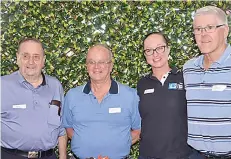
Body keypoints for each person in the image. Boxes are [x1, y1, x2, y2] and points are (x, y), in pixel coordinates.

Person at [62, 44, 141, 159]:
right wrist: (83, 142)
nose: (96, 67)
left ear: (111, 66)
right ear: (86, 66)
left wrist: (118, 144)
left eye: (102, 62)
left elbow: (138, 129)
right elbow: (68, 127)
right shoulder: (72, 96)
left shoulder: (130, 95)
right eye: (91, 62)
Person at [1, 38, 67, 159]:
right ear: (18, 58)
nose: (31, 62)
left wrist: (63, 157)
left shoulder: (55, 86)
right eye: (25, 56)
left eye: (36, 57)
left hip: (48, 156)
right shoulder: (3, 85)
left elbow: (61, 128)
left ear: (43, 60)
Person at [183, 6, 231, 158]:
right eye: (198, 29)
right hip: (195, 154)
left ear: (225, 30)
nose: (203, 35)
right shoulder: (189, 69)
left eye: (210, 27)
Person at [137, 32, 192, 159]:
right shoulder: (142, 84)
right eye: (149, 50)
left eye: (160, 48)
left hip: (182, 155)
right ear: (145, 55)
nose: (155, 54)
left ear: (168, 49)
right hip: (148, 155)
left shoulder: (184, 78)